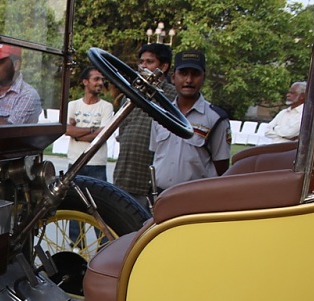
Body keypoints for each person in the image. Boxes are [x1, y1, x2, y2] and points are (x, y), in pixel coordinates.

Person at [150, 50, 231, 191]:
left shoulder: (215, 118)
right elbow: (155, 154)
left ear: (203, 78)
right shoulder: (160, 113)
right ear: (173, 77)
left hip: (196, 197)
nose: (188, 80)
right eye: (183, 73)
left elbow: (222, 166)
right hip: (161, 194)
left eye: (195, 74)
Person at [113, 43, 176, 207]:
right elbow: (122, 127)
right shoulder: (131, 93)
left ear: (163, 66)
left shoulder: (171, 96)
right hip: (125, 173)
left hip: (151, 181)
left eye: (149, 62)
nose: (143, 66)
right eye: (141, 62)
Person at [65, 66, 114, 180]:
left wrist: (77, 134)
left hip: (97, 163)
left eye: (102, 79)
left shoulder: (107, 107)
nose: (100, 83)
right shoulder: (73, 105)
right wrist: (93, 129)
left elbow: (103, 135)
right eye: (96, 79)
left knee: (97, 198)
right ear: (85, 82)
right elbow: (67, 130)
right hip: (75, 161)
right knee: (72, 197)